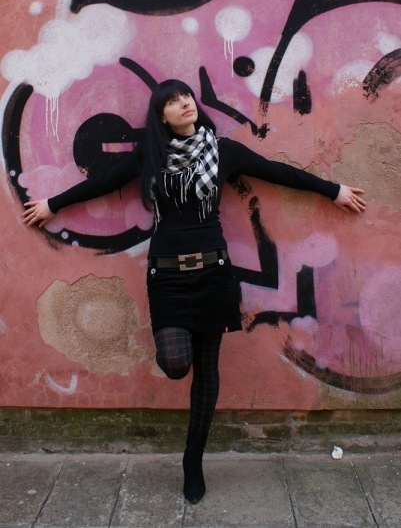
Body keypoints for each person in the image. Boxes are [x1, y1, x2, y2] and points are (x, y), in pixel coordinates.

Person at [22, 79, 366, 504]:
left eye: (185, 96)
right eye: (171, 101)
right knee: (175, 363)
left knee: (206, 368)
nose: (183, 103)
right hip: (167, 276)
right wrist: (53, 204)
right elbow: (105, 182)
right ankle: (190, 446)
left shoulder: (223, 151)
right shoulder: (151, 156)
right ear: (162, 117)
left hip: (213, 274)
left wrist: (334, 191)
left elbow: (278, 172)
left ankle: (193, 460)